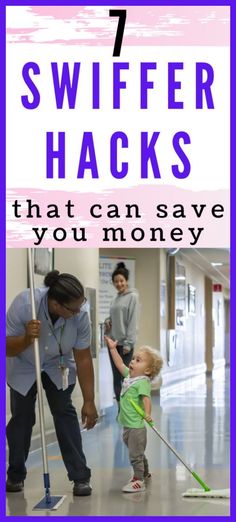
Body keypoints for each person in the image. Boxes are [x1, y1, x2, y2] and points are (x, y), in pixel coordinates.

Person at [6, 270, 98, 497]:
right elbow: (6, 347)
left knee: (64, 411)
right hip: (25, 362)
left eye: (81, 305)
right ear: (56, 304)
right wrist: (27, 338)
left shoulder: (80, 314)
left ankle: (80, 477)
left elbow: (83, 358)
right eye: (73, 308)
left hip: (58, 363)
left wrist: (89, 400)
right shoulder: (25, 304)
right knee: (22, 417)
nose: (79, 311)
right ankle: (15, 474)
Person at [105, 336, 163, 493]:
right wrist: (112, 349)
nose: (132, 361)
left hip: (136, 427)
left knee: (135, 454)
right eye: (134, 358)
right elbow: (119, 364)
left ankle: (139, 480)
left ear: (147, 370)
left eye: (138, 360)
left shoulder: (142, 382)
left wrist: (148, 413)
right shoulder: (129, 378)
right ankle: (145, 472)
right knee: (137, 451)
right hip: (127, 425)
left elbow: (146, 399)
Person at [104, 262, 139, 408]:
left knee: (126, 377)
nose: (119, 284)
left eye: (121, 281)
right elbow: (113, 317)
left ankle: (128, 406)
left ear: (126, 281)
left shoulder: (133, 297)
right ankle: (120, 408)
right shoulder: (115, 299)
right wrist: (107, 321)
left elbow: (133, 320)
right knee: (116, 377)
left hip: (125, 345)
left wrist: (129, 343)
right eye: (116, 281)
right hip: (113, 344)